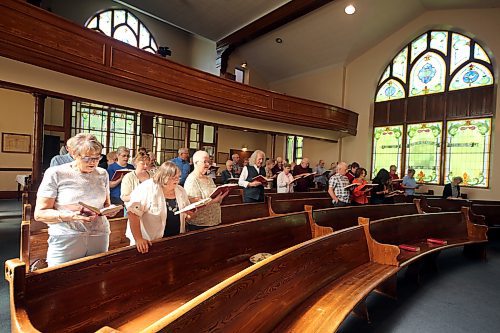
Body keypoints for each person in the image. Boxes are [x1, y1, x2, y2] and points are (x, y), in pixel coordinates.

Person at [34, 133, 116, 267]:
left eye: (97, 158)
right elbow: (40, 213)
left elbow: (106, 204)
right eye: (87, 158)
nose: (93, 162)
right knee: (61, 279)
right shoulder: (56, 173)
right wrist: (71, 216)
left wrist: (109, 210)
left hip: (99, 233)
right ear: (74, 154)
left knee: (95, 276)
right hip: (67, 235)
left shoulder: (102, 173)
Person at [126, 162, 193, 253]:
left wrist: (189, 213)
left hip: (174, 239)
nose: (177, 181)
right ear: (164, 177)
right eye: (174, 178)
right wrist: (139, 238)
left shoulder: (180, 190)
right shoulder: (147, 189)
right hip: (149, 242)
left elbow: (185, 213)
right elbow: (132, 213)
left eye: (178, 177)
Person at [184, 151, 229, 230]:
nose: (208, 165)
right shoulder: (192, 180)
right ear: (196, 163)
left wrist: (221, 196)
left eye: (209, 162)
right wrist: (214, 201)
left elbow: (214, 197)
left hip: (214, 221)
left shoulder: (209, 179)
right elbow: (194, 204)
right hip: (200, 224)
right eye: (205, 162)